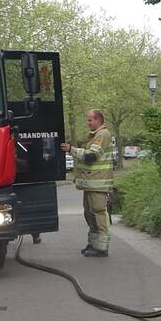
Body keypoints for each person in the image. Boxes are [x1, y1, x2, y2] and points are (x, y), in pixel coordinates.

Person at [60, 109, 114, 257]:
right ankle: (94, 244)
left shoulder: (102, 135)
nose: (88, 122)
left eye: (90, 120)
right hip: (91, 182)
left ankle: (101, 248)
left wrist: (71, 149)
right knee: (89, 213)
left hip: (98, 183)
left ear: (98, 120)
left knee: (98, 213)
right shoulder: (94, 135)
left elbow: (91, 156)